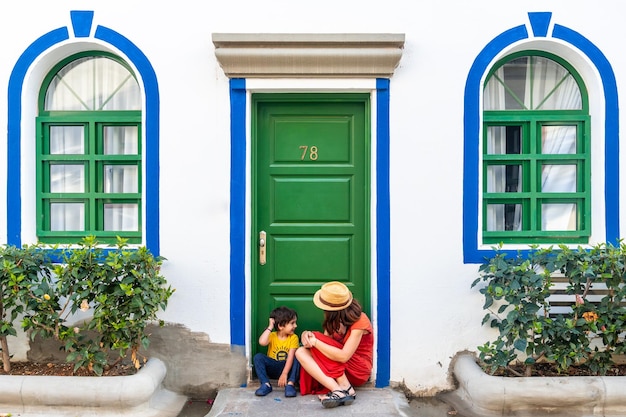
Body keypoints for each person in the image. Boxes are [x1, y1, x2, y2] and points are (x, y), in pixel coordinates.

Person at [296, 281, 373, 409]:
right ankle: (338, 390)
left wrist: (314, 340)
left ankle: (346, 388)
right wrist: (306, 334)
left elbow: (344, 356)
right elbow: (324, 346)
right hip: (340, 370)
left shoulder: (360, 321)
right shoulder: (333, 320)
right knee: (300, 352)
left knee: (315, 338)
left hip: (358, 369)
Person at [253, 306, 300, 397]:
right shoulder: (272, 335)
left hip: (287, 367)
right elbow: (262, 342)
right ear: (281, 326)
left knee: (298, 356)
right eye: (292, 323)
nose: (295, 326)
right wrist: (270, 326)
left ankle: (290, 384)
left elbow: (290, 357)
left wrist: (284, 373)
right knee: (258, 357)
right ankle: (265, 384)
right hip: (273, 367)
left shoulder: (293, 337)